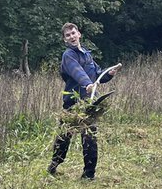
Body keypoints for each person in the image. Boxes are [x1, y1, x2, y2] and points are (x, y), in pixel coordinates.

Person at [48, 22, 121, 180]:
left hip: (89, 103)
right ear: (65, 40)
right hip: (72, 103)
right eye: (68, 35)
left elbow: (97, 74)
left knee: (90, 137)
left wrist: (109, 74)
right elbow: (77, 72)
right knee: (64, 136)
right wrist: (87, 83)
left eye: (73, 33)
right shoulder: (68, 55)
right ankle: (54, 165)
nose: (71, 37)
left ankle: (89, 174)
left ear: (79, 34)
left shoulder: (87, 54)